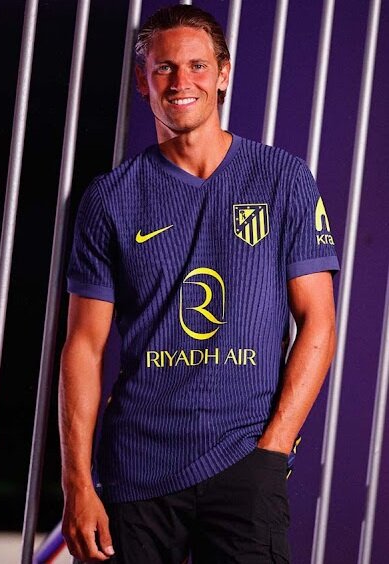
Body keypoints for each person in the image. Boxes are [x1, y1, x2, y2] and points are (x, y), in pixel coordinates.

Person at [58, 4, 340, 563]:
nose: (180, 81)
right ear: (143, 81)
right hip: (135, 471)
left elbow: (319, 321)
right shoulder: (110, 198)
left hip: (244, 462)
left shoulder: (282, 178)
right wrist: (78, 484)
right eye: (163, 67)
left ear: (224, 74)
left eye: (197, 66)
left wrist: (272, 450)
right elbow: (83, 347)